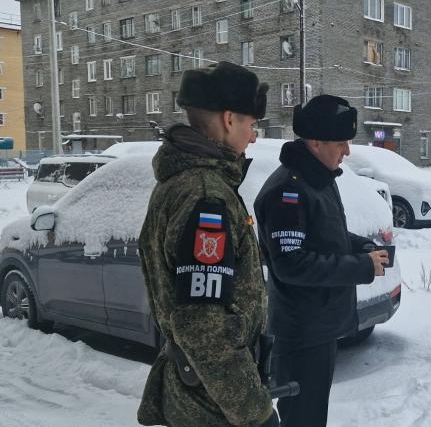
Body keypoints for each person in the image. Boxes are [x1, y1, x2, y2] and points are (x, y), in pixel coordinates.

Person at [137, 61, 278, 427]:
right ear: (229, 119)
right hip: (211, 406)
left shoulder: (184, 182)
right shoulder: (205, 196)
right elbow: (204, 327)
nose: (253, 136)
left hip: (199, 392)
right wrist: (256, 413)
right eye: (252, 124)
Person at [253, 95, 389, 427]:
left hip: (319, 325)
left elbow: (325, 237)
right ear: (315, 142)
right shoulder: (289, 190)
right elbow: (292, 264)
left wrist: (362, 247)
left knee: (313, 417)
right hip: (302, 332)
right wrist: (360, 267)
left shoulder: (318, 179)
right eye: (341, 141)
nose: (348, 151)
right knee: (304, 419)